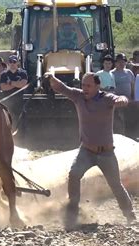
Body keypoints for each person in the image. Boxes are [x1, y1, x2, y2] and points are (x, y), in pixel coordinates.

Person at [46, 72, 136, 230]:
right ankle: (73, 213)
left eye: (88, 85)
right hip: (86, 150)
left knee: (115, 185)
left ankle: (130, 215)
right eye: (83, 85)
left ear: (97, 86)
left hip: (106, 152)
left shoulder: (106, 98)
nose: (84, 88)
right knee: (74, 174)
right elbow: (61, 87)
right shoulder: (78, 96)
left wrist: (122, 100)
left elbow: (120, 99)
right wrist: (51, 78)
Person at [0, 55, 28, 128]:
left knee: (21, 120)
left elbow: (23, 84)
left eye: (14, 62)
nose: (12, 64)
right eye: (10, 62)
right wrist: (16, 84)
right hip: (8, 102)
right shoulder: (4, 74)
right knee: (7, 119)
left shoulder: (23, 73)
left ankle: (21, 135)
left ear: (17, 63)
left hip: (19, 101)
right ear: (8, 63)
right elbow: (3, 87)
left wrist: (10, 83)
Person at [111, 53, 135, 134]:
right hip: (117, 102)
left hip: (129, 101)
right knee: (120, 120)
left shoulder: (129, 73)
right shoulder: (111, 74)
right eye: (119, 62)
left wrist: (133, 97)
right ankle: (121, 134)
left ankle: (130, 134)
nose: (121, 64)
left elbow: (133, 86)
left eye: (123, 61)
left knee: (130, 119)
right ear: (115, 63)